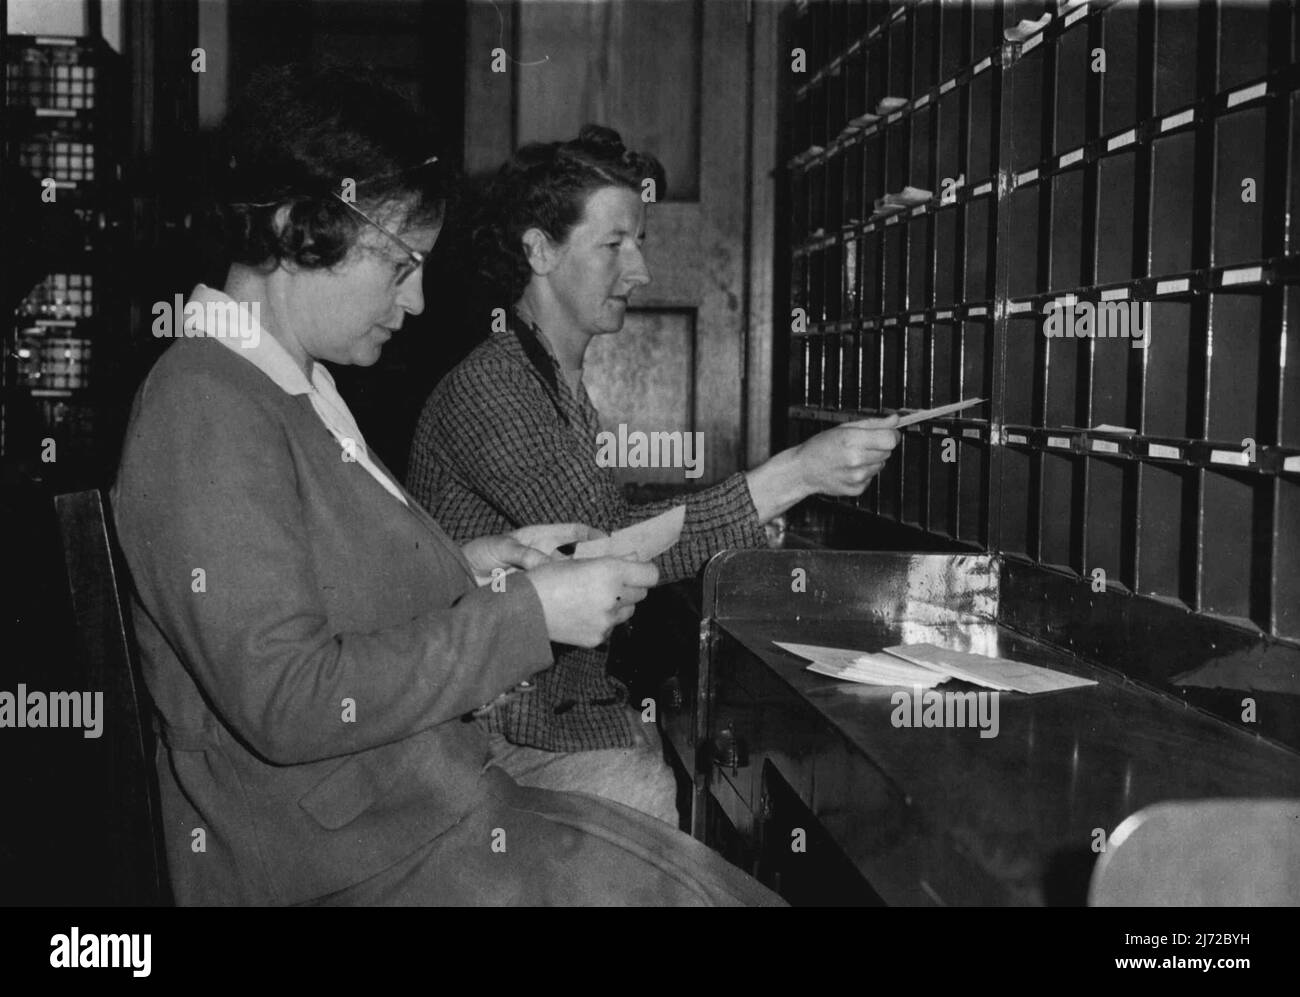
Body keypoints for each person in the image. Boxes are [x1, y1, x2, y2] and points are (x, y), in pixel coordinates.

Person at [111, 68, 780, 907]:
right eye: (399, 265)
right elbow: (287, 697)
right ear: (296, 227)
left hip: (408, 814)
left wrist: (479, 566)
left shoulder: (288, 387)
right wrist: (527, 614)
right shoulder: (205, 403)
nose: (420, 299)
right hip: (347, 858)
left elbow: (326, 593)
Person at [408, 125, 900, 825]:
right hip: (492, 738)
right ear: (539, 250)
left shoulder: (548, 377)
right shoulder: (493, 387)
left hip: (540, 712)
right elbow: (613, 542)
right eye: (614, 245)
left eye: (638, 243)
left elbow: (603, 508)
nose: (638, 271)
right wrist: (798, 472)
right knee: (650, 791)